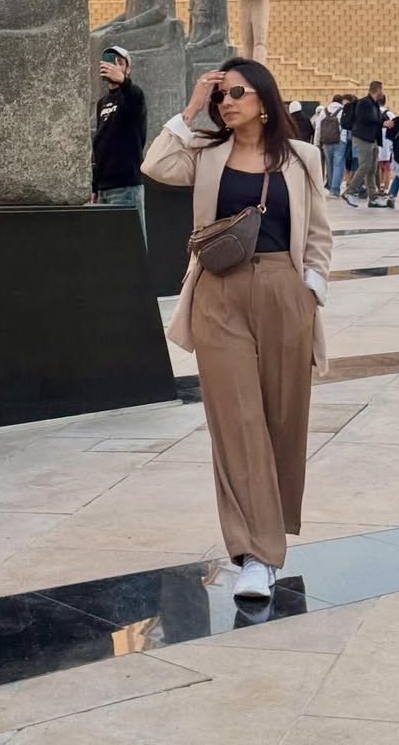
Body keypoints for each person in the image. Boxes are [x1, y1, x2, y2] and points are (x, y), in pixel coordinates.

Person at [143, 58, 330, 601]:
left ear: (265, 100)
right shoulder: (206, 154)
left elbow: (318, 233)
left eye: (236, 93)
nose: (227, 102)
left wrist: (311, 289)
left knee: (281, 419)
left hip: (282, 291)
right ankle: (256, 555)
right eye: (221, 95)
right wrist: (191, 106)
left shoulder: (302, 158)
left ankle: (269, 536)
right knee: (236, 421)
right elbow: (156, 166)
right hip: (218, 295)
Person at [92, 45, 148, 242]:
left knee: (128, 244)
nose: (114, 66)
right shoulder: (102, 103)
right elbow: (99, 144)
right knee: (107, 247)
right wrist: (94, 186)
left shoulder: (134, 95)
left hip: (126, 186)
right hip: (103, 189)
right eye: (110, 61)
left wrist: (123, 82)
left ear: (128, 69)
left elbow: (133, 100)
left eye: (120, 63)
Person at [342, 81, 391, 209]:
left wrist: (385, 121)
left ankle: (373, 198)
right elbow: (363, 119)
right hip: (363, 138)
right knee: (365, 166)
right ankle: (349, 192)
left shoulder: (374, 104)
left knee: (372, 169)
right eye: (382, 89)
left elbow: (376, 118)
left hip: (372, 139)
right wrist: (382, 123)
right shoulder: (364, 103)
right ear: (378, 90)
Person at [315, 96, 346, 198]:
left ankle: (331, 187)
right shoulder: (342, 110)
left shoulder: (324, 111)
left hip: (326, 142)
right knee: (338, 164)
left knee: (329, 165)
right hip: (339, 141)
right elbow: (344, 126)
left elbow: (318, 128)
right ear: (341, 101)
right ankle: (335, 189)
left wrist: (317, 143)